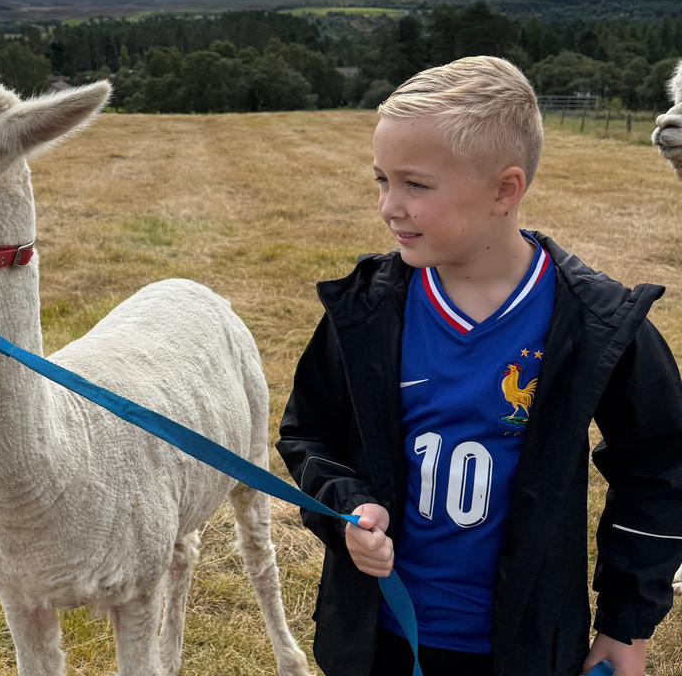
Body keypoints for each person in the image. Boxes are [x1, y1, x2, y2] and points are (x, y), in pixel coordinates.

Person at [276, 56, 682, 676]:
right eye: (381, 180)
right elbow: (308, 434)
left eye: (415, 185)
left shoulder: (596, 324)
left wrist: (626, 626)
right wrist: (346, 506)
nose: (389, 207)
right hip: (377, 636)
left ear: (504, 189)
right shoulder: (366, 311)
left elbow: (659, 469)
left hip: (523, 646)